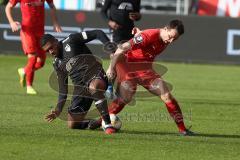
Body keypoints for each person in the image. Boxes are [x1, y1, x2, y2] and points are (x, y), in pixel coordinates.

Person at [91, 20, 194, 136]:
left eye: (174, 39)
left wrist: (140, 33)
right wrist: (111, 68)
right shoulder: (149, 35)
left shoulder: (161, 38)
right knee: (127, 96)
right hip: (128, 65)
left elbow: (143, 44)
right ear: (165, 29)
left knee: (166, 94)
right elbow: (121, 49)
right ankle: (102, 120)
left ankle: (183, 129)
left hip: (145, 70)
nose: (170, 41)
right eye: (170, 37)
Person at [41, 30, 117, 134]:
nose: (50, 52)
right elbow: (63, 89)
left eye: (51, 47)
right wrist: (58, 110)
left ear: (55, 41)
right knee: (72, 124)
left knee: (94, 87)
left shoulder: (72, 40)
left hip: (95, 75)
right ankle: (96, 122)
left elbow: (98, 33)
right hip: (80, 87)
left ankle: (108, 124)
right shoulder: (57, 64)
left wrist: (111, 49)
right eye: (47, 51)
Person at [5, 0, 62, 95]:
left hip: (40, 32)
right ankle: (29, 86)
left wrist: (55, 22)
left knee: (41, 62)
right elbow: (8, 7)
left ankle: (24, 70)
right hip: (27, 32)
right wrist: (11, 22)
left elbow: (52, 6)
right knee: (32, 58)